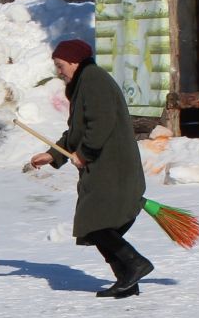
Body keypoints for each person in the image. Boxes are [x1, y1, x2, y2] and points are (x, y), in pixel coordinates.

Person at [27, 38, 152, 298]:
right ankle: (127, 277)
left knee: (95, 221)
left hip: (113, 166)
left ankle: (135, 265)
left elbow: (100, 123)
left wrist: (85, 154)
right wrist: (51, 155)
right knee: (94, 223)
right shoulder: (84, 82)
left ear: (74, 61)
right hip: (104, 166)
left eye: (61, 66)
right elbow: (78, 131)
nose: (59, 71)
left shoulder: (94, 80)